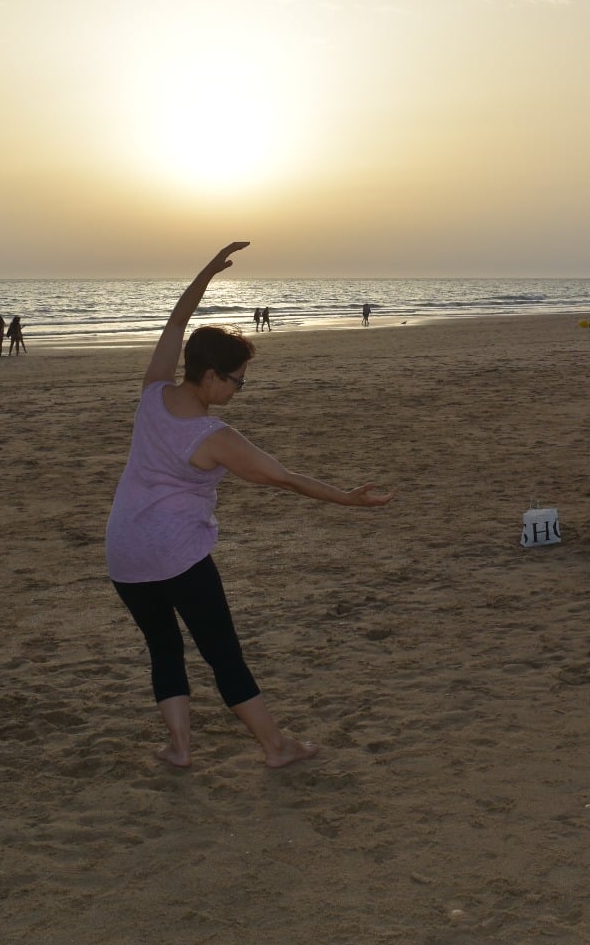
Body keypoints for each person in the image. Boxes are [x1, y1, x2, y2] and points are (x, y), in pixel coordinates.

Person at [106, 243, 393, 769]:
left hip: (125, 551)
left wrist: (207, 273)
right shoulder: (213, 435)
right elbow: (284, 478)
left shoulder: (151, 394)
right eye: (237, 379)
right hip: (179, 556)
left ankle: (179, 748)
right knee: (222, 654)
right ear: (211, 377)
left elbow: (177, 321)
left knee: (164, 649)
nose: (241, 388)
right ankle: (276, 747)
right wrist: (348, 500)